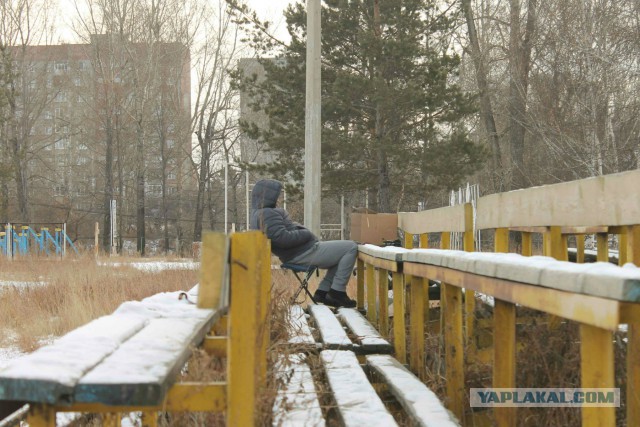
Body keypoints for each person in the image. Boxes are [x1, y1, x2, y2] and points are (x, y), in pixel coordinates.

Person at [250, 179, 358, 308]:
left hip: (299, 252)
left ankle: (323, 292)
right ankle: (337, 292)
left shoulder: (259, 213)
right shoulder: (267, 213)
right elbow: (282, 239)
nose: (278, 199)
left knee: (341, 254)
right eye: (276, 196)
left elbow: (280, 235)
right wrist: (305, 233)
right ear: (268, 196)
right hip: (303, 253)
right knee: (351, 247)